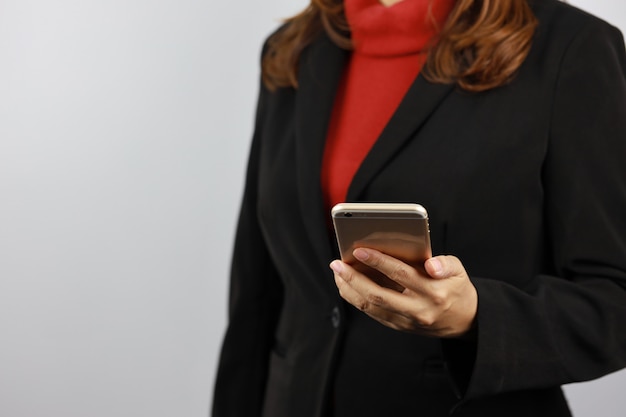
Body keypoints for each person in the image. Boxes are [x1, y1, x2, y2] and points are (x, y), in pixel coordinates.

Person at [212, 0, 626, 416]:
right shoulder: (292, 47)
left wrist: (479, 316)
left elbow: (615, 296)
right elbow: (257, 292)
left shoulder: (571, 46)